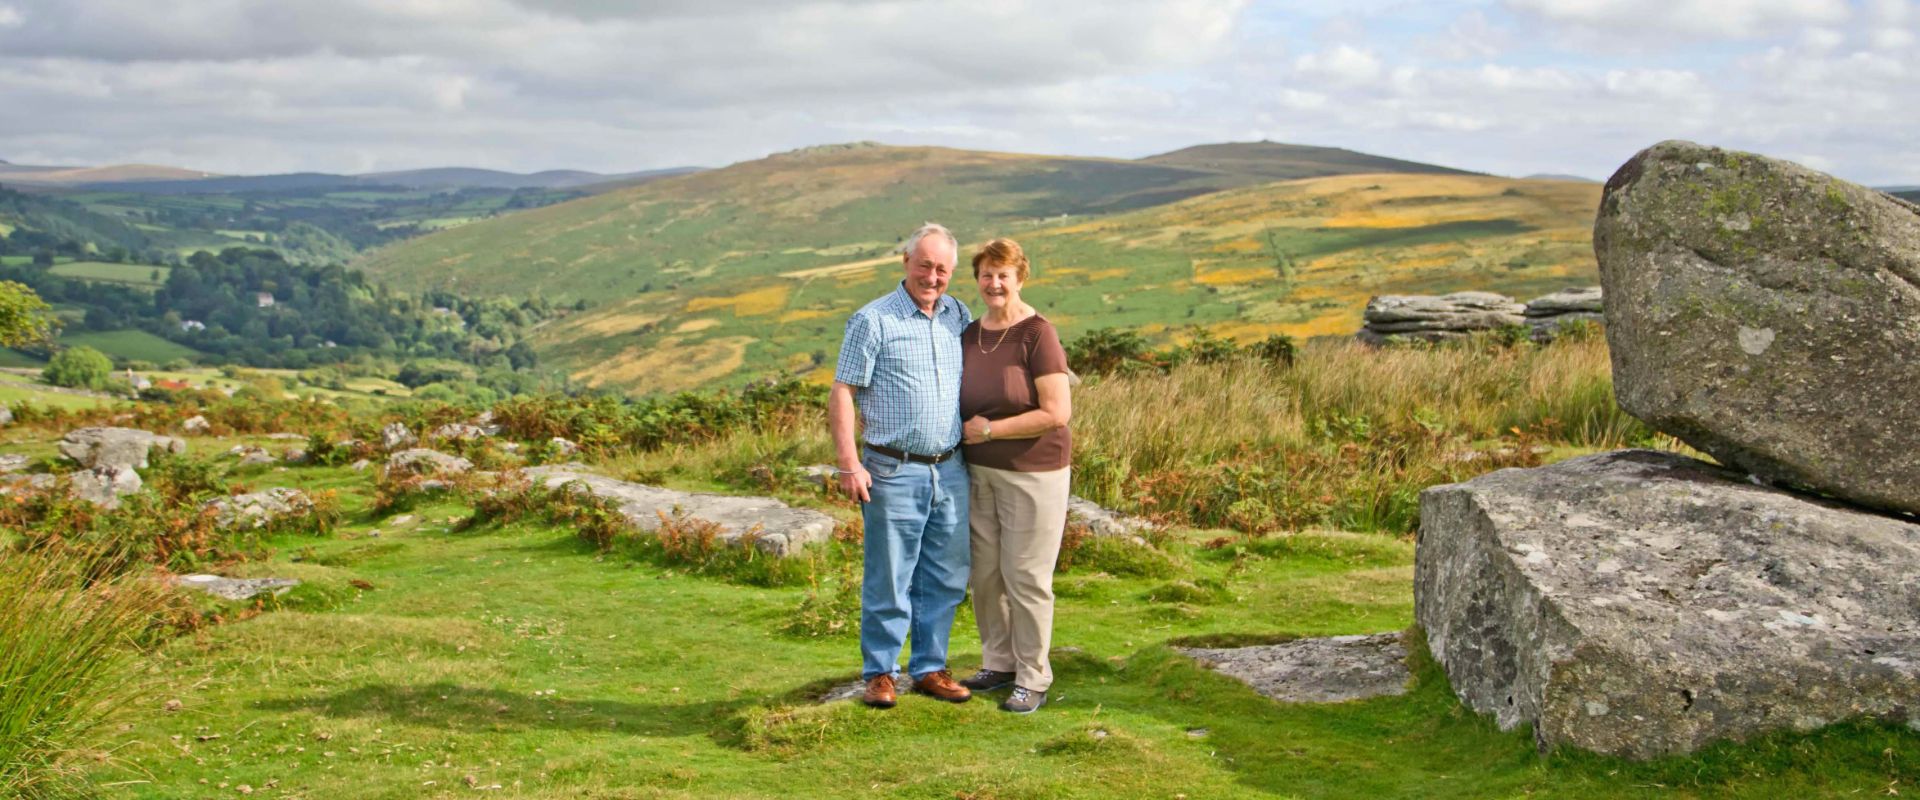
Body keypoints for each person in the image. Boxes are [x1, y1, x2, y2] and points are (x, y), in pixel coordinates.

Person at [830, 222, 975, 709]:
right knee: (890, 576)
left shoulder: (959, 315)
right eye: (925, 265)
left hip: (952, 469)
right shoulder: (872, 320)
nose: (933, 276)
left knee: (945, 575)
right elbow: (843, 391)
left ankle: (930, 667)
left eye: (942, 269)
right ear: (906, 264)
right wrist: (850, 464)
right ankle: (880, 673)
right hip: (892, 469)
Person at [953, 238, 1072, 714]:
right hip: (978, 472)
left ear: (1021, 277)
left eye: (1004, 274)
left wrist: (990, 430)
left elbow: (1057, 412)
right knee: (985, 574)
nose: (994, 283)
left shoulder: (1037, 334)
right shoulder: (969, 333)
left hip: (1034, 472)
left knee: (1025, 575)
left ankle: (1033, 675)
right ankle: (998, 662)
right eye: (986, 274)